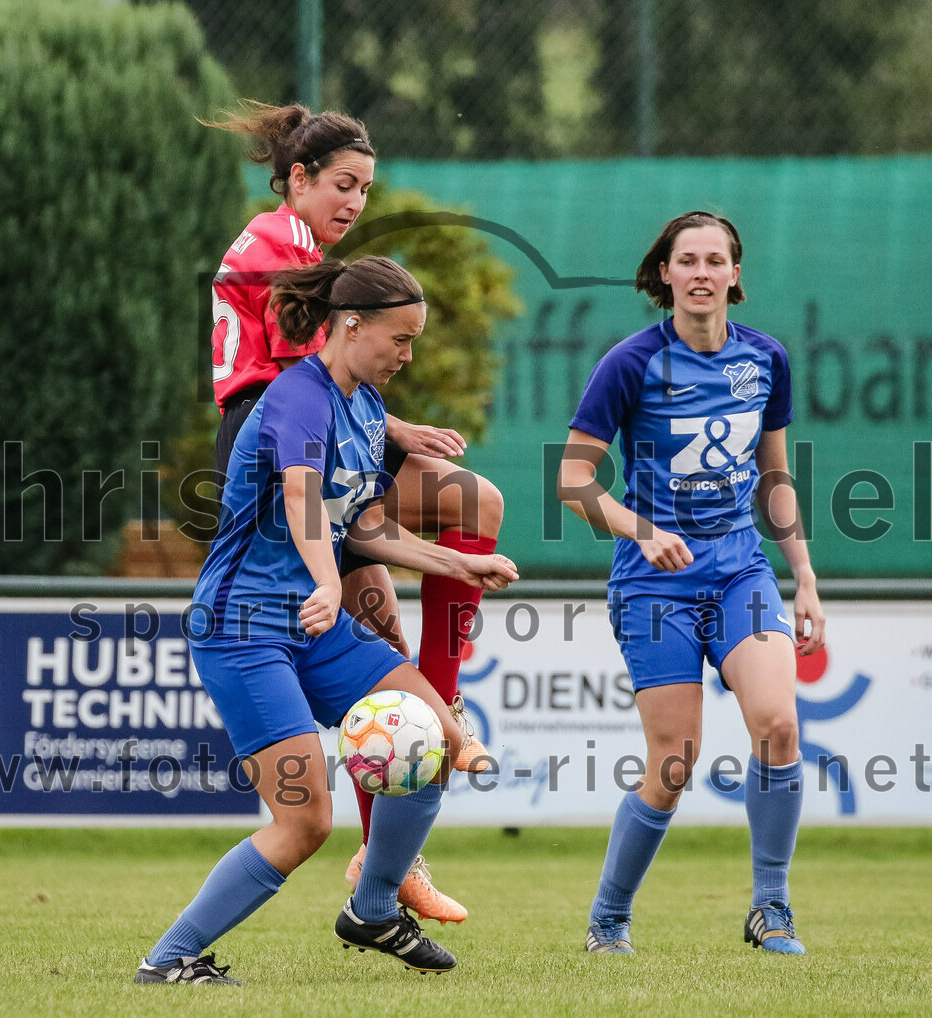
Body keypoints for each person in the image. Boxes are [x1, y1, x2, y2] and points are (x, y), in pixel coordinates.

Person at [135, 256, 518, 985]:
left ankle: (372, 909)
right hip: (245, 626)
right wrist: (326, 582)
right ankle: (168, 959)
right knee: (305, 822)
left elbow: (364, 525)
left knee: (435, 734)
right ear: (351, 325)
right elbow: (302, 500)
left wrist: (456, 562)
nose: (407, 356)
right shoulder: (298, 395)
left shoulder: (367, 408)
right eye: (400, 339)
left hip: (312, 622)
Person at [204, 100, 503, 924]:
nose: (355, 202)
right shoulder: (279, 243)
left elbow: (330, 375)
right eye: (343, 184)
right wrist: (394, 427)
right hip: (279, 443)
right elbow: (310, 380)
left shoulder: (297, 245)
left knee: (388, 666)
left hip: (306, 435)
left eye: (366, 189)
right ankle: (443, 713)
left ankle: (386, 855)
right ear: (297, 179)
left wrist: (388, 426)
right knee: (472, 503)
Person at [557, 211, 825, 956]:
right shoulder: (631, 363)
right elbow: (572, 479)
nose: (702, 273)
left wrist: (804, 575)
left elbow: (774, 477)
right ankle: (609, 918)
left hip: (741, 569)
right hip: (654, 585)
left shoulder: (766, 358)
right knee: (674, 763)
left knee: (778, 724)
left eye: (715, 260)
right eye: (688, 261)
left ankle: (771, 908)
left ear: (735, 274)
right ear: (665, 274)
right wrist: (642, 531)